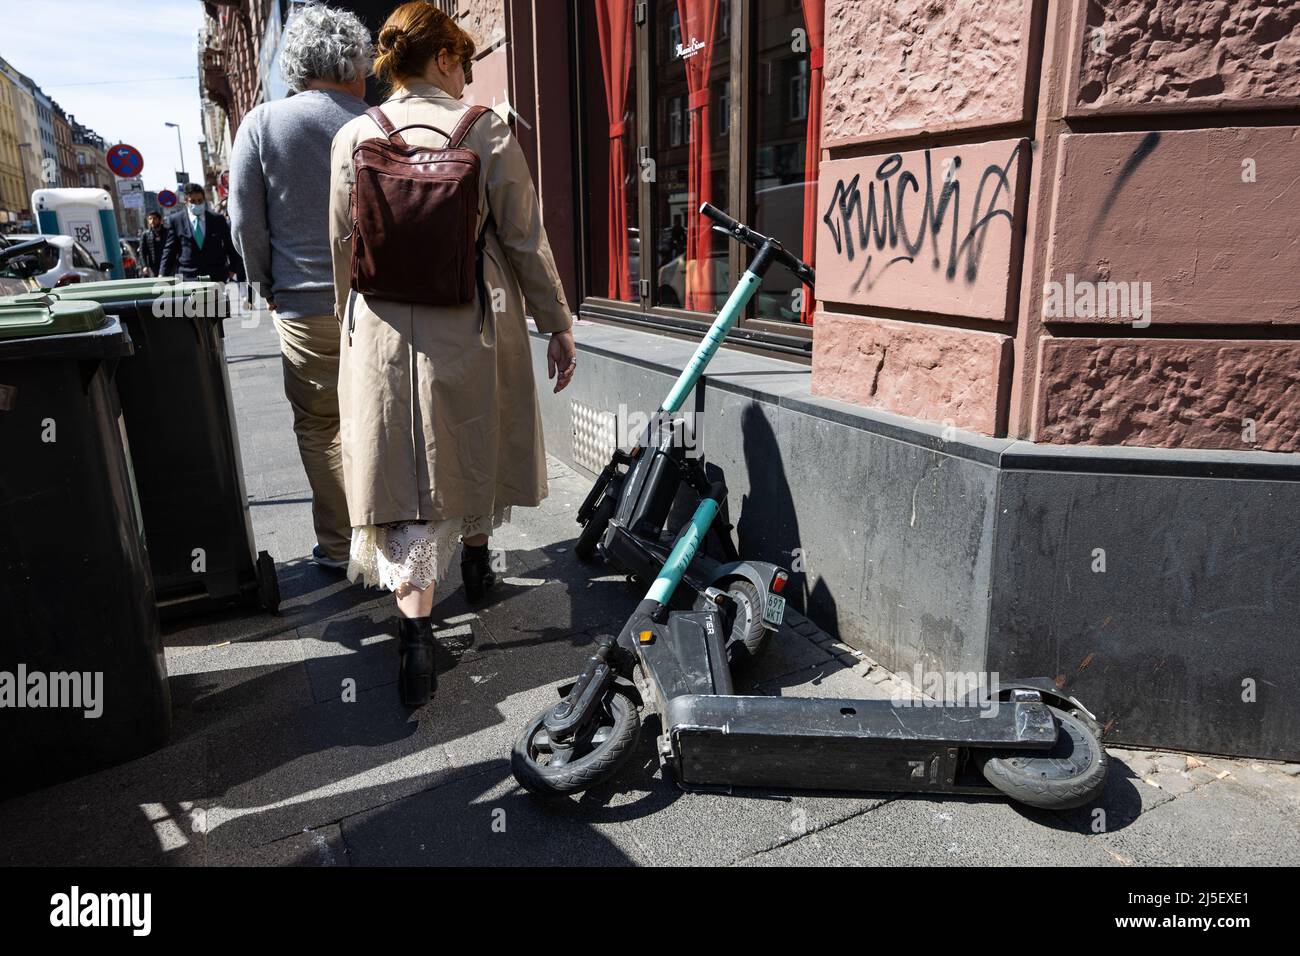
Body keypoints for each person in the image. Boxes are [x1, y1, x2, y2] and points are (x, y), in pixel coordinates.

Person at [328, 0, 576, 707]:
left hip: (380, 328)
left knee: (404, 466)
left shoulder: (354, 136)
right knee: (471, 436)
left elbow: (343, 245)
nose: (468, 74)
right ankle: (478, 563)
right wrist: (556, 322)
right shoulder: (485, 130)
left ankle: (414, 642)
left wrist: (345, 323)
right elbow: (526, 238)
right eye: (464, 60)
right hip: (470, 317)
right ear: (442, 58)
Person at [229, 3, 372, 572]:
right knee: (385, 420)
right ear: (356, 63)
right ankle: (396, 542)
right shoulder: (377, 121)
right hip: (381, 303)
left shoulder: (263, 124)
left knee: (321, 426)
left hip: (304, 302)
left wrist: (264, 282)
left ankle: (340, 548)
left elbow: (245, 221)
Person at [159, 183, 242, 281]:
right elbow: (170, 250)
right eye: (192, 201)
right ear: (186, 201)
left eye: (199, 201)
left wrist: (233, 268)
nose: (196, 204)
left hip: (216, 275)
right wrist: (162, 274)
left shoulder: (217, 220)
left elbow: (230, 245)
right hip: (188, 276)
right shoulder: (176, 220)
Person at [139, 212, 166, 277]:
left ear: (159, 220)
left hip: (168, 264)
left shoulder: (167, 232)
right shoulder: (145, 234)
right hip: (153, 267)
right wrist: (144, 266)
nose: (152, 221)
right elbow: (142, 252)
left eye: (154, 218)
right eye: (150, 219)